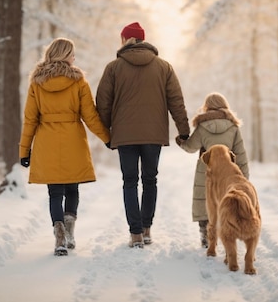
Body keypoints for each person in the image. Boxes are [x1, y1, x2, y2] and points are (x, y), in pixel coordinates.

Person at [96, 22, 190, 248]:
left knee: (129, 182)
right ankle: (147, 230)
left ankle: (135, 234)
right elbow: (176, 101)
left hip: (124, 135)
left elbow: (103, 104)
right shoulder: (164, 67)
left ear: (125, 40)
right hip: (153, 135)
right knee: (150, 181)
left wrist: (107, 132)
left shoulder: (113, 68)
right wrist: (183, 131)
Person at [19, 37, 110, 256]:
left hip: (46, 141)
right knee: (72, 188)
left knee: (54, 193)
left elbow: (30, 119)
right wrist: (107, 138)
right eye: (71, 53)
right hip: (72, 141)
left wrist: (24, 151)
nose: (74, 57)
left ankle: (58, 233)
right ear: (64, 55)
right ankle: (69, 231)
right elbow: (90, 116)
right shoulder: (79, 81)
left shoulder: (36, 82)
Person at [175, 92, 249, 248]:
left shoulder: (202, 126)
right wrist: (244, 179)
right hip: (228, 173)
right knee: (225, 201)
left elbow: (191, 147)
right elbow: (240, 155)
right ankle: (226, 233)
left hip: (206, 169)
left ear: (207, 106)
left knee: (205, 200)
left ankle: (205, 235)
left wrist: (181, 142)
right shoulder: (233, 127)